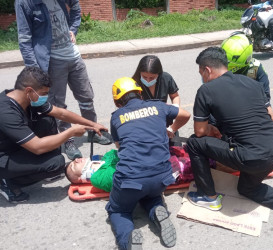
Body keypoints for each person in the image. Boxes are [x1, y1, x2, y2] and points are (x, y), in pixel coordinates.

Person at [185, 47, 273, 234]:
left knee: (194, 143)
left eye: (201, 72)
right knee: (246, 188)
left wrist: (212, 128)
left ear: (207, 70)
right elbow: (270, 115)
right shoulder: (251, 83)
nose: (201, 76)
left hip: (250, 157)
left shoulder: (206, 90)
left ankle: (208, 197)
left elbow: (200, 132)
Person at [15, 0, 111, 161]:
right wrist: (35, 72)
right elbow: (24, 39)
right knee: (57, 104)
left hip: (73, 56)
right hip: (51, 60)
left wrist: (73, 29)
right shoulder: (24, 2)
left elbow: (75, 6)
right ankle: (68, 140)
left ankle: (93, 131)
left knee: (86, 96)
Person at [0, 67, 108, 203]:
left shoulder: (26, 98)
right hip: (4, 158)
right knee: (56, 163)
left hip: (16, 144)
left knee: (48, 121)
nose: (45, 97)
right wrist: (70, 132)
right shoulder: (6, 112)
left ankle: (35, 168)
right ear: (29, 90)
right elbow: (37, 147)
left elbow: (61, 113)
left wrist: (93, 125)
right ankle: (7, 181)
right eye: (43, 93)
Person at [105, 77, 190, 249]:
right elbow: (186, 114)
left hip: (131, 180)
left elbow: (120, 147)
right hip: (162, 178)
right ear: (140, 94)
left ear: (117, 102)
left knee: (118, 210)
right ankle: (157, 210)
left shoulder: (116, 117)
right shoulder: (158, 106)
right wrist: (170, 130)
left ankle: (127, 238)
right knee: (150, 195)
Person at [221, 33, 273, 122]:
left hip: (251, 109)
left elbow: (265, 96)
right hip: (227, 107)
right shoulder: (217, 68)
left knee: (268, 119)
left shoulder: (255, 68)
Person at [132, 55, 181, 139]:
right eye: (144, 77)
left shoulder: (166, 78)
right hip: (145, 129)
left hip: (167, 126)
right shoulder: (133, 84)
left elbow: (175, 96)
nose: (148, 80)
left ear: (159, 74)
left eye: (152, 78)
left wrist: (175, 107)